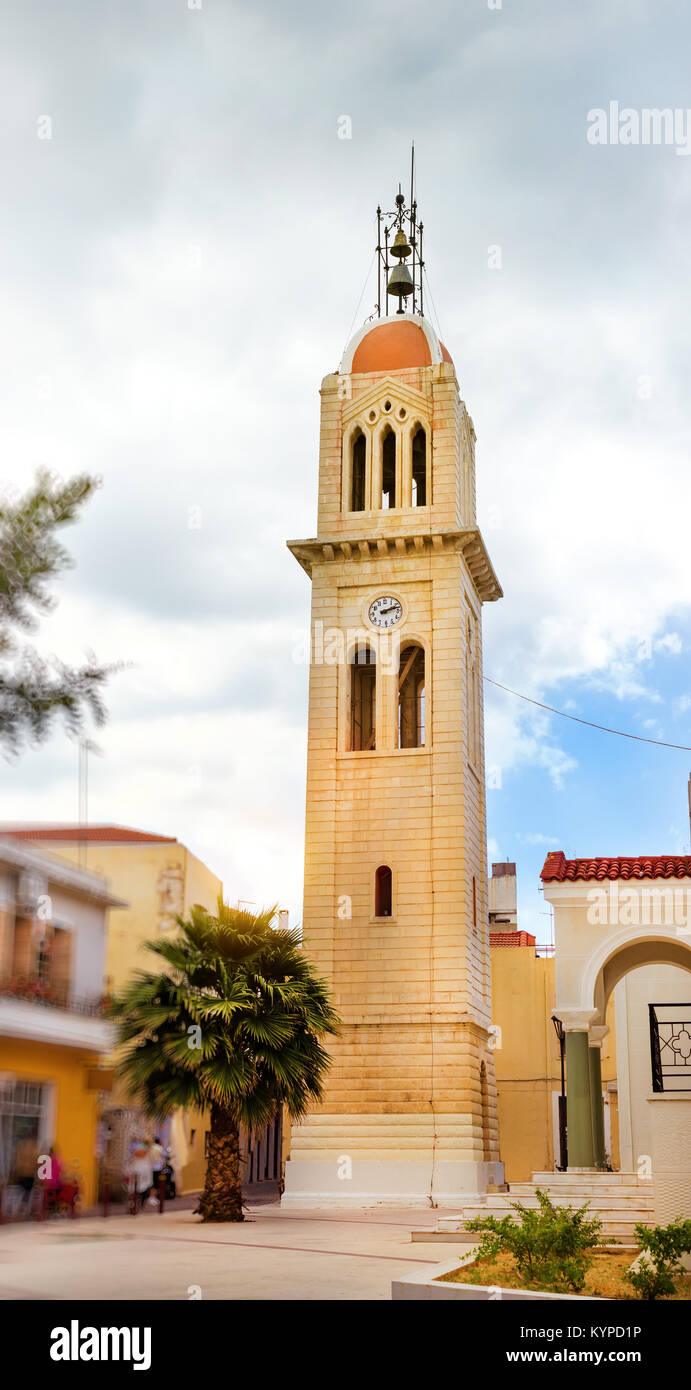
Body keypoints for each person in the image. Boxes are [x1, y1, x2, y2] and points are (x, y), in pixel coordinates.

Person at [12, 1137, 39, 1216]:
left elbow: (17, 1165)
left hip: (22, 1175)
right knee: (26, 1195)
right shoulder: (33, 1152)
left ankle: (19, 1211)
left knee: (22, 1194)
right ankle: (24, 1211)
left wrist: (16, 1174)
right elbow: (36, 1165)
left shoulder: (21, 1151)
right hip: (29, 1176)